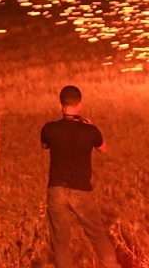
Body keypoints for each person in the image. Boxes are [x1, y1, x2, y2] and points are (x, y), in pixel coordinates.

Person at [40, 85, 121, 268]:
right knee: (98, 236)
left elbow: (44, 146)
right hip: (82, 191)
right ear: (80, 105)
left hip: (56, 190)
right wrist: (92, 127)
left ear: (60, 105)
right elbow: (104, 148)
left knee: (61, 244)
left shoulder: (49, 129)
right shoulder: (90, 131)